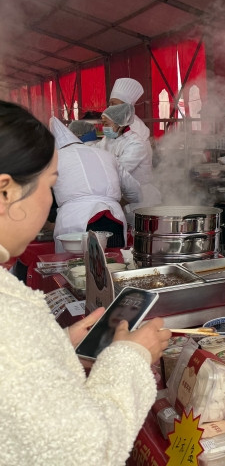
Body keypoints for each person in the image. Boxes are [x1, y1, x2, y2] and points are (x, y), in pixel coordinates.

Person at [0, 100, 170, 465]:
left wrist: (58, 347)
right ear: (6, 192)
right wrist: (131, 357)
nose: (51, 201)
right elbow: (85, 448)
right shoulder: (8, 312)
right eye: (51, 185)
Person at [50, 118, 141, 251]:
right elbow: (135, 192)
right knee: (113, 260)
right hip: (113, 217)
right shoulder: (106, 155)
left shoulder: (54, 159)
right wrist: (112, 200)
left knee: (73, 262)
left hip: (74, 220)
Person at [99, 103, 162, 219]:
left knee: (139, 227)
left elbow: (119, 170)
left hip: (142, 199)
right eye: (102, 123)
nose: (103, 127)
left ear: (120, 124)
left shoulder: (135, 143)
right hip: (122, 196)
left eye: (106, 124)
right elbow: (95, 154)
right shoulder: (107, 140)